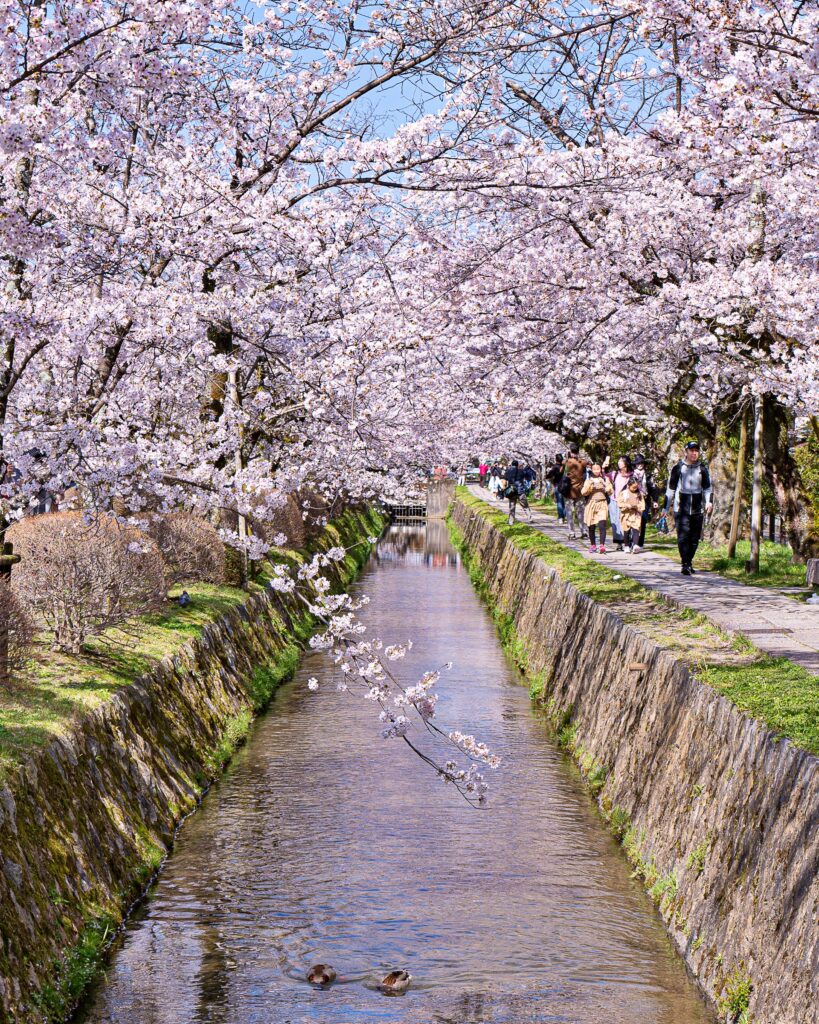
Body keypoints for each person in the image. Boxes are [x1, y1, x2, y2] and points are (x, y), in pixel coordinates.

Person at [664, 441, 713, 576]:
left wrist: (709, 502)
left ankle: (688, 561)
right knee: (683, 537)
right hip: (681, 509)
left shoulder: (702, 469)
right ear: (686, 451)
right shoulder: (678, 468)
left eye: (696, 450)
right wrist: (665, 508)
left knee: (694, 538)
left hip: (698, 509)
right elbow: (670, 489)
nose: (694, 453)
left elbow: (708, 488)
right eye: (691, 450)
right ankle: (685, 563)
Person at [581, 465, 613, 553]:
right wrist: (590, 487)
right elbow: (583, 492)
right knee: (591, 526)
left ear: (600, 469)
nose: (596, 471)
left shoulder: (605, 479)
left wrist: (606, 487)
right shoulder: (588, 480)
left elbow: (610, 491)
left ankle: (602, 545)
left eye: (598, 469)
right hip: (591, 504)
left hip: (602, 503)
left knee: (602, 525)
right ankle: (593, 545)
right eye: (594, 469)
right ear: (591, 470)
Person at [632, 455, 660, 551]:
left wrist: (655, 500)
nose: (640, 465)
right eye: (638, 463)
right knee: (632, 521)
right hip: (633, 500)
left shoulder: (648, 475)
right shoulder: (631, 474)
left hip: (645, 500)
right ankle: (632, 542)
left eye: (642, 463)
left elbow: (653, 488)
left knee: (642, 521)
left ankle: (640, 543)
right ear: (635, 464)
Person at [563, 443, 590, 540]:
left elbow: (561, 471)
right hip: (579, 490)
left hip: (568, 491)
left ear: (570, 451)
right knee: (581, 512)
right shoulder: (582, 462)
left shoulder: (567, 462)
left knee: (569, 512)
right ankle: (584, 531)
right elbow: (589, 465)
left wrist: (566, 457)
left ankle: (571, 533)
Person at [606, 455, 633, 551]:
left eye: (621, 461)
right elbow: (603, 475)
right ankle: (618, 542)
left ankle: (627, 541)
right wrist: (605, 463)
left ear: (626, 463)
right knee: (615, 522)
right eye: (618, 461)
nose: (619, 463)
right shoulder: (614, 474)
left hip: (626, 502)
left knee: (625, 521)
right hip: (614, 500)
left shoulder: (631, 475)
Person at [618, 477, 646, 553]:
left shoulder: (639, 494)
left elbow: (642, 504)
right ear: (629, 485)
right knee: (626, 530)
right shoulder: (623, 493)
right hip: (626, 514)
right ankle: (626, 545)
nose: (635, 489)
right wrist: (626, 505)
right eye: (633, 487)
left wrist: (639, 508)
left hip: (635, 514)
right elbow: (620, 503)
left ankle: (635, 545)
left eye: (636, 487)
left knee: (636, 529)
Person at [546, 454, 565, 521]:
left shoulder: (555, 467)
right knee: (564, 501)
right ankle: (564, 515)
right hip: (565, 486)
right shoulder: (565, 467)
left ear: (556, 459)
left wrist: (546, 476)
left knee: (559, 501)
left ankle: (560, 517)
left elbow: (549, 475)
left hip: (558, 485)